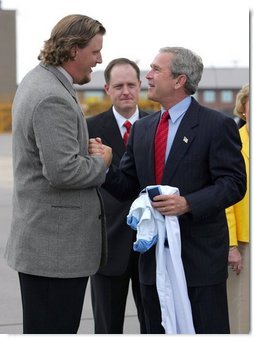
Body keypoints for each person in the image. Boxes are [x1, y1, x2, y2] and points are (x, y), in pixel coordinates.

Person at [89, 47, 246, 334]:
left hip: (198, 259)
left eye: (155, 70)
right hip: (154, 262)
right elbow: (127, 187)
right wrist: (106, 167)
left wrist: (188, 203)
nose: (147, 75)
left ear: (179, 80)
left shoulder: (217, 125)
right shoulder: (144, 129)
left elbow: (234, 184)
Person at [4, 14, 112, 334]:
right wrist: (101, 162)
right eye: (95, 51)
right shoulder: (52, 96)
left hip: (45, 247)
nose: (99, 59)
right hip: (55, 254)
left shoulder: (38, 80)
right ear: (73, 50)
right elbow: (63, 172)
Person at [86, 58, 148, 334]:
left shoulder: (157, 125)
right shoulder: (88, 129)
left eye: (131, 85)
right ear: (107, 89)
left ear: (140, 87)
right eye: (119, 85)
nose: (126, 91)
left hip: (152, 245)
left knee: (155, 325)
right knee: (107, 327)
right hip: (107, 245)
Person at [226, 83, 249, 333]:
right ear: (244, 107)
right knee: (242, 310)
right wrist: (232, 245)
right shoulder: (233, 142)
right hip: (245, 242)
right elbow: (227, 199)